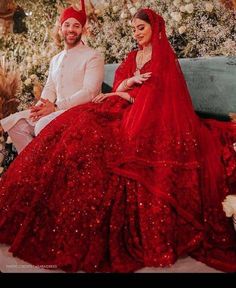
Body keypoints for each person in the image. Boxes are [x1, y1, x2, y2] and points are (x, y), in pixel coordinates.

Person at [0, 8, 236, 273]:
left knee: (95, 137)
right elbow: (121, 82)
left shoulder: (162, 56)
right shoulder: (133, 55)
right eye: (134, 29)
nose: (136, 34)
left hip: (148, 114)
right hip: (121, 106)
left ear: (155, 28)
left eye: (141, 28)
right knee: (74, 127)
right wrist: (123, 88)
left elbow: (155, 96)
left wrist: (123, 94)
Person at [0, 1, 104, 154]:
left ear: (82, 29)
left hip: (81, 110)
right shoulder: (56, 59)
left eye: (76, 25)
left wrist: (56, 107)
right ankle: (33, 165)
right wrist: (41, 108)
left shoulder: (93, 56)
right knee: (13, 124)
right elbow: (49, 88)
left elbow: (89, 92)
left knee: (42, 124)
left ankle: (45, 168)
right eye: (67, 25)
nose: (71, 29)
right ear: (61, 28)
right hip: (56, 110)